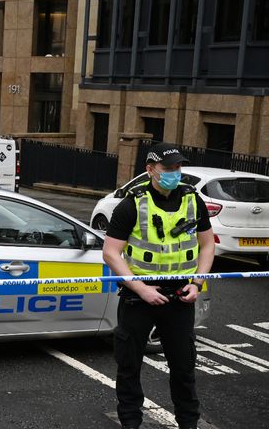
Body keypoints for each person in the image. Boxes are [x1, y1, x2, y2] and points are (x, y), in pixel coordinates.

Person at [102, 142, 215, 429]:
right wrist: (141, 288)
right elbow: (111, 253)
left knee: (184, 367)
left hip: (180, 296)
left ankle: (188, 423)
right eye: (168, 168)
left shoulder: (193, 200)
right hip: (139, 298)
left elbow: (207, 246)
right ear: (150, 170)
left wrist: (197, 283)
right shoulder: (132, 204)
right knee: (129, 366)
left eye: (178, 168)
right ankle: (131, 422)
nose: (175, 173)